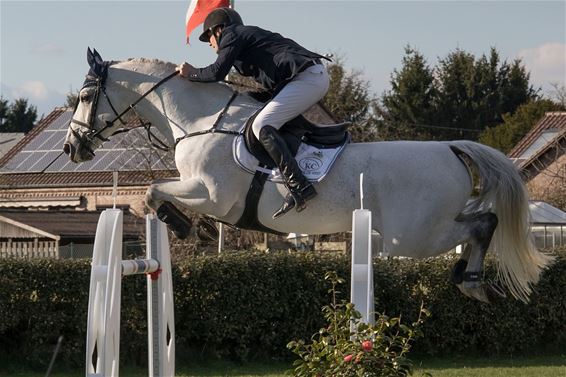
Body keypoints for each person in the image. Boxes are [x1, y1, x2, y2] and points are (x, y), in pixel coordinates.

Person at [177, 7, 330, 219]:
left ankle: (299, 186)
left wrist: (191, 72)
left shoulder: (231, 34)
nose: (211, 44)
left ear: (218, 30)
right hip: (304, 78)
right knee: (260, 114)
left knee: (261, 125)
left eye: (209, 37)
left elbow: (216, 72)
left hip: (306, 78)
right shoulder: (241, 38)